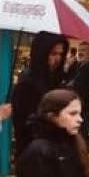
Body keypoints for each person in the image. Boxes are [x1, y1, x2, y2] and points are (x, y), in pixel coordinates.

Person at [11, 31, 68, 163]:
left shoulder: (56, 80)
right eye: (53, 54)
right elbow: (24, 122)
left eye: (61, 54)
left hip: (53, 151)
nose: (57, 59)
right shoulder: (28, 82)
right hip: (33, 152)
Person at [67, 42, 89, 144]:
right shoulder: (74, 66)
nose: (80, 53)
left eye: (84, 50)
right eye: (79, 50)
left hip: (85, 109)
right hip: (69, 107)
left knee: (80, 139)